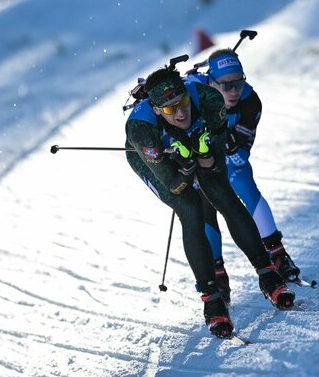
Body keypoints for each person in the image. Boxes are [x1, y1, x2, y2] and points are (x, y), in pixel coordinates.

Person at [125, 66, 295, 338]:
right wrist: (183, 165)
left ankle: (267, 273)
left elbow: (213, 167)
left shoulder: (208, 99)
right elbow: (175, 184)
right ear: (157, 111)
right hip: (157, 160)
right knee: (190, 209)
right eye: (169, 110)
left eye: (181, 103)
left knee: (222, 193)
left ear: (187, 93)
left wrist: (201, 152)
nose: (180, 113)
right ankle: (211, 297)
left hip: (194, 146)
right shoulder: (141, 129)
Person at [188, 49, 302, 303]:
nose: (233, 91)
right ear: (211, 82)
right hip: (203, 162)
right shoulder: (195, 95)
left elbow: (240, 153)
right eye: (226, 85)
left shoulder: (250, 101)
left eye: (238, 83)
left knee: (244, 182)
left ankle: (278, 253)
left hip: (227, 159)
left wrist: (227, 143)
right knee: (205, 204)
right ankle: (217, 271)